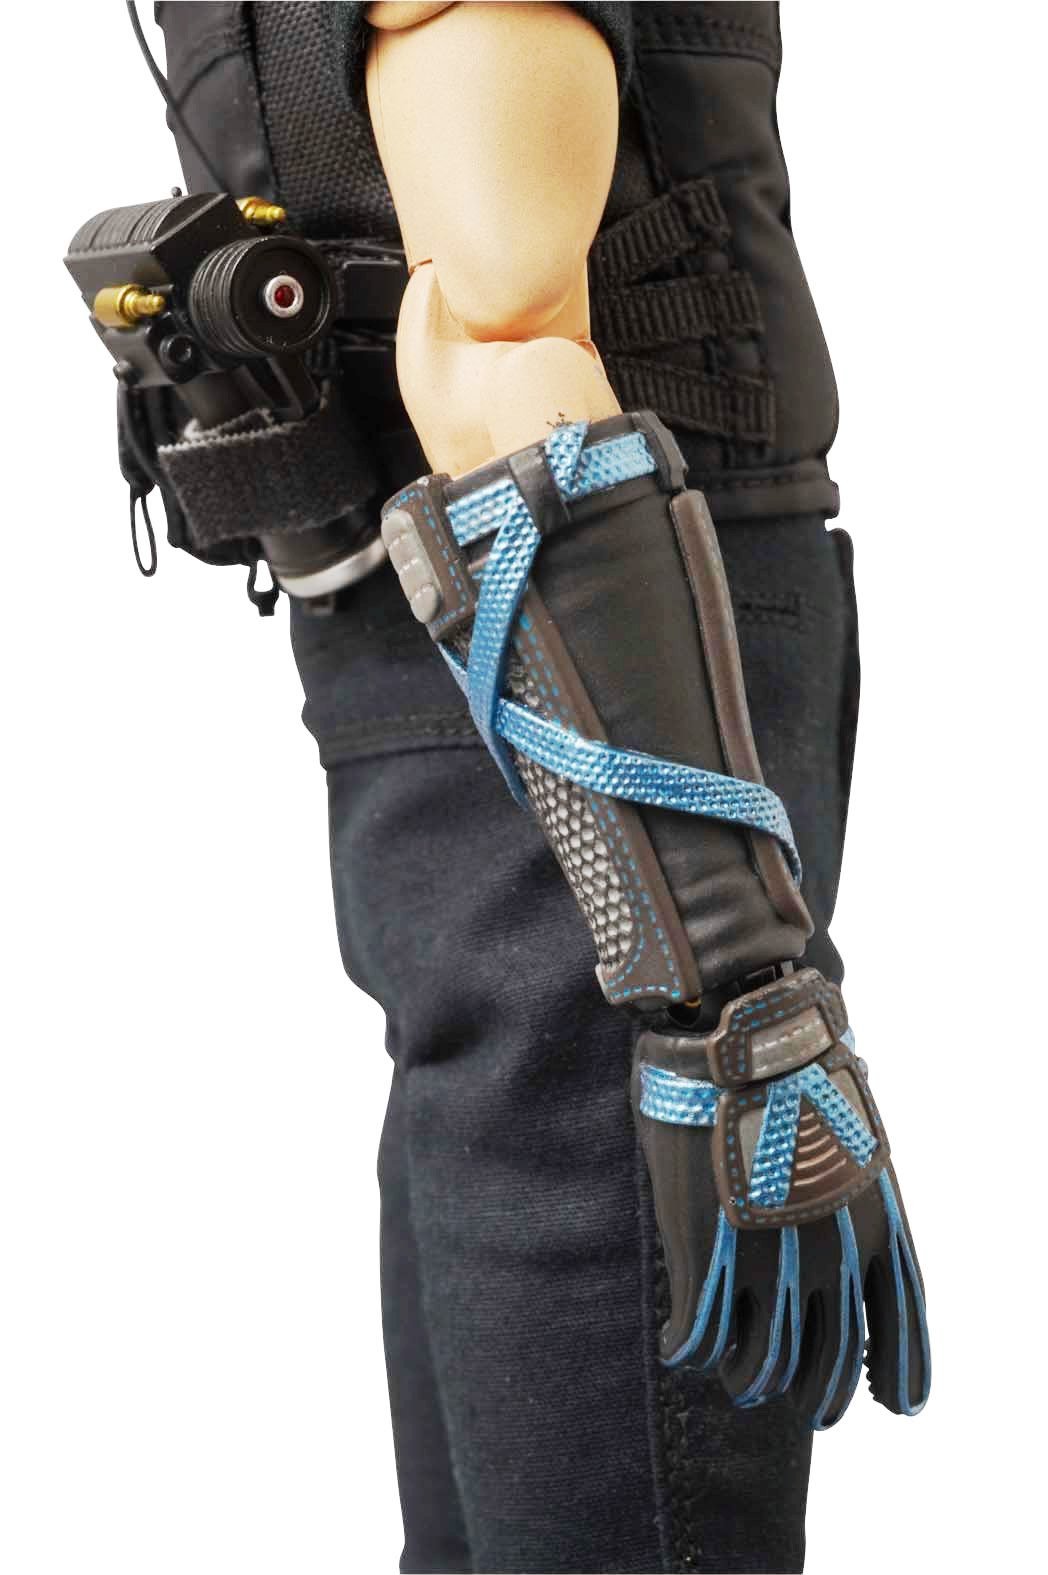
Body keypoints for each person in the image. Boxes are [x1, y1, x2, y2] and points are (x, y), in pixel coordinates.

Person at [139, 5, 927, 1570]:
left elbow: (489, 286)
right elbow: (496, 304)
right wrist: (728, 978)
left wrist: (717, 972)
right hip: (562, 622)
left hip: (511, 619)